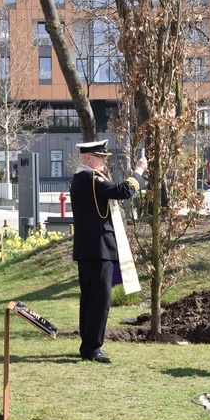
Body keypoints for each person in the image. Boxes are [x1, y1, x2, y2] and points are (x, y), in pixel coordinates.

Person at [70, 140, 147, 363]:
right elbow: (123, 191)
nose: (104, 160)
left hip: (92, 248)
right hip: (98, 248)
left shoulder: (85, 179)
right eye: (100, 157)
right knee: (99, 300)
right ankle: (92, 348)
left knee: (90, 298)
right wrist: (139, 172)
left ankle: (88, 344)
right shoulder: (90, 179)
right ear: (88, 159)